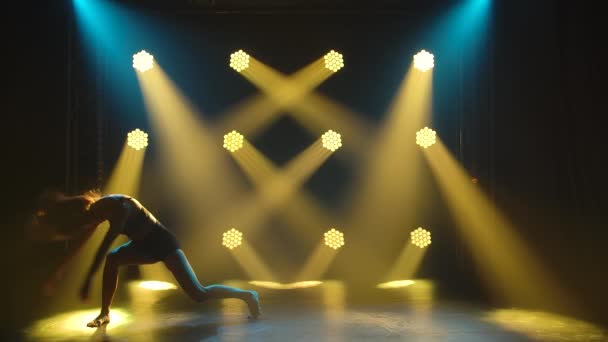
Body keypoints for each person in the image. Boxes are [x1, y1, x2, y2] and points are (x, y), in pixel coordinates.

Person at [27, 190, 261, 327]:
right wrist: (59, 271)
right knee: (113, 259)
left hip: (163, 243)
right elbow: (80, 246)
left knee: (198, 293)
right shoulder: (95, 213)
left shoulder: (117, 207)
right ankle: (104, 313)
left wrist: (88, 279)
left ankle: (247, 295)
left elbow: (105, 243)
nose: (89, 227)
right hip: (143, 246)